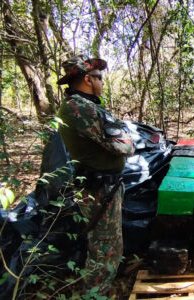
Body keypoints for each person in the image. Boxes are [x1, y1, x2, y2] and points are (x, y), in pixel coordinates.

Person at [56, 55, 135, 294]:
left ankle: (99, 290)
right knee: (105, 249)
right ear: (88, 80)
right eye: (99, 78)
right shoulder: (78, 107)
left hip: (103, 186)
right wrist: (124, 136)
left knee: (106, 245)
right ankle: (94, 293)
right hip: (98, 189)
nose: (102, 82)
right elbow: (124, 145)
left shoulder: (84, 105)